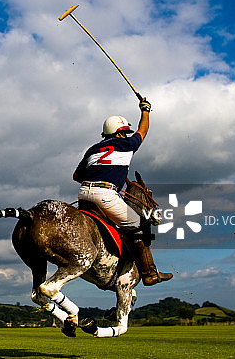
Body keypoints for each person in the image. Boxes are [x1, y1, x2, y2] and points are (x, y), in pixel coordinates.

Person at [72, 98, 172, 286]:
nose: (127, 135)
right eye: (125, 132)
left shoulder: (92, 149)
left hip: (83, 194)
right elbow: (143, 130)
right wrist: (145, 111)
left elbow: (76, 176)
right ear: (120, 133)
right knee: (138, 225)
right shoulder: (127, 144)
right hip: (106, 195)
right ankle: (149, 273)